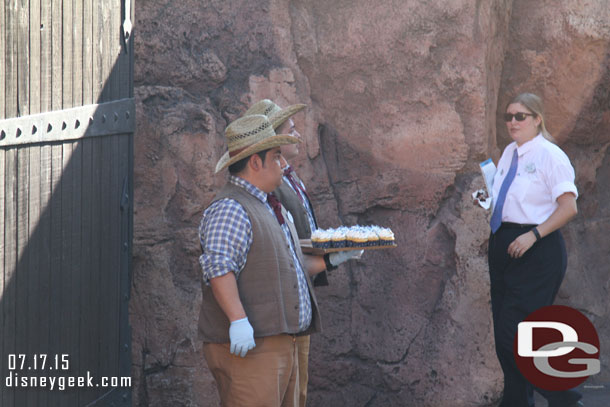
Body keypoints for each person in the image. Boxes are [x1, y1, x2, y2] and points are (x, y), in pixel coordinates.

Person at [198, 114, 360, 407]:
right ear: (255, 163)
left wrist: (335, 259)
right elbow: (219, 268)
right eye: (276, 157)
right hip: (254, 349)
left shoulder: (271, 206)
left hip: (279, 344)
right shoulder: (231, 208)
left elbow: (294, 268)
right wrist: (238, 321)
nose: (283, 164)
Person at [487, 93, 581, 407]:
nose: (513, 122)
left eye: (520, 116)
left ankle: (565, 396)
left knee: (511, 334)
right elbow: (509, 202)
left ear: (537, 118)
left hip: (537, 250)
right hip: (504, 246)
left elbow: (569, 208)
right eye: (508, 116)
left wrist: (533, 236)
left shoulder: (549, 155)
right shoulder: (509, 154)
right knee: (505, 340)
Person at [243, 99, 332, 407]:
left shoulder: (289, 175)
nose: (297, 135)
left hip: (300, 293)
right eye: (290, 130)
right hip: (278, 315)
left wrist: (329, 257)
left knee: (298, 391)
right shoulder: (266, 188)